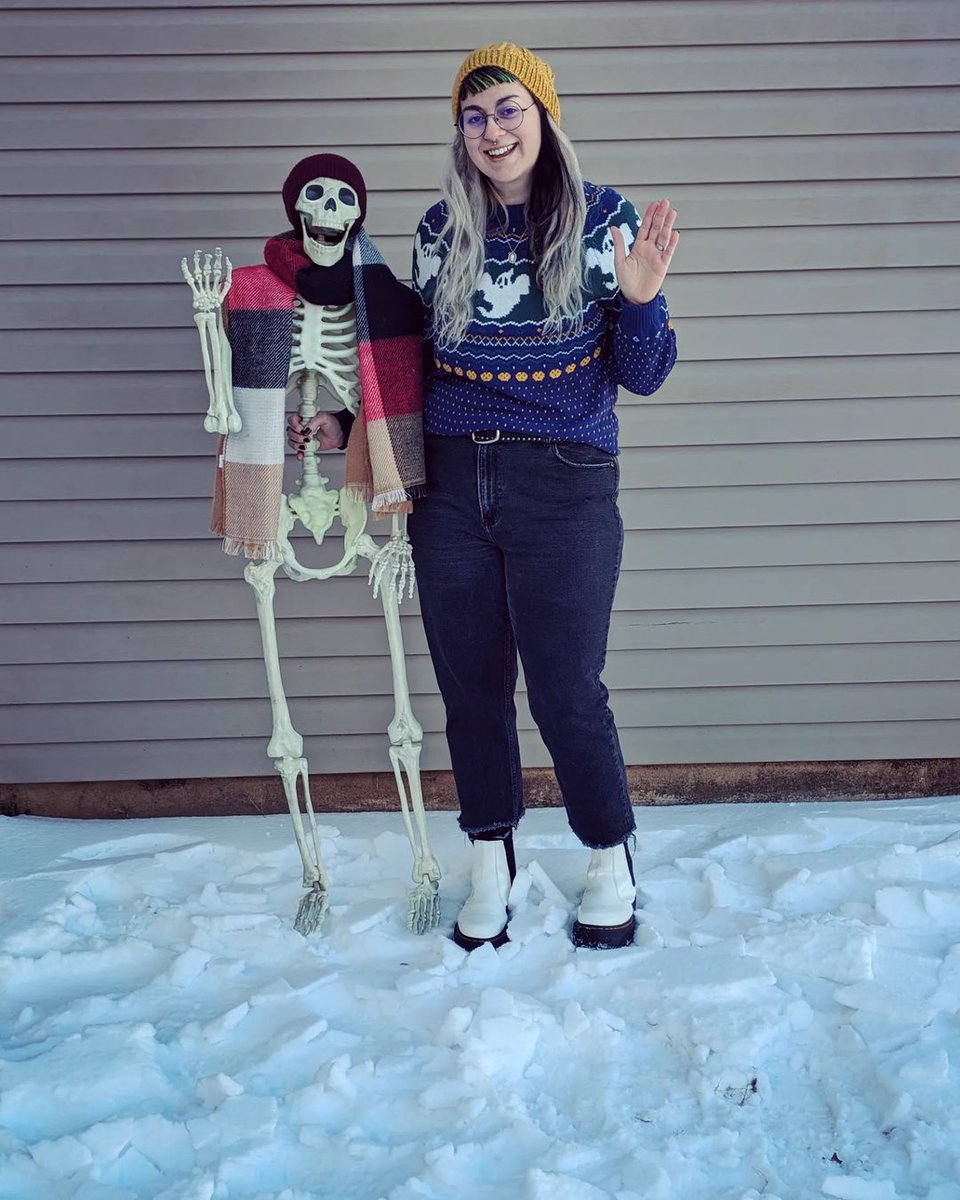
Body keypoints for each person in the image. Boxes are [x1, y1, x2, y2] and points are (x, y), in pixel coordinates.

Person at [407, 42, 679, 952]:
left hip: (564, 478)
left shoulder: (607, 223)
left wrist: (640, 302)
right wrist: (339, 431)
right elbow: (406, 366)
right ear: (462, 133)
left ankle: (608, 854)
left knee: (567, 687)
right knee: (470, 686)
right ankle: (492, 856)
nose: (493, 130)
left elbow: (643, 376)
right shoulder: (441, 230)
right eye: (475, 115)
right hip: (450, 481)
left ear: (545, 117)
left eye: (510, 109)